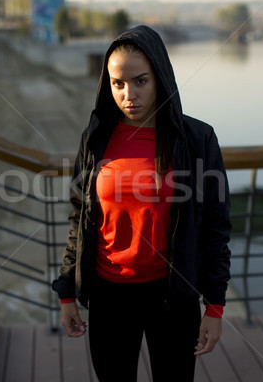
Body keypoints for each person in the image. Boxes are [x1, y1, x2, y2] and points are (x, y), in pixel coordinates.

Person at [52, 25, 231, 382]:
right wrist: (66, 292)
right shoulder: (96, 137)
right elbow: (80, 219)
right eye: (118, 83)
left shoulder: (197, 139)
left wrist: (214, 306)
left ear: (160, 78)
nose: (128, 94)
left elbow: (215, 227)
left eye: (140, 81)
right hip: (108, 296)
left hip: (173, 298)